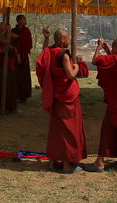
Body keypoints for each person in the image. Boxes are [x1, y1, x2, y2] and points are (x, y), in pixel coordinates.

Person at [36, 27, 89, 174]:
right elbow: (71, 75)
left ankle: (53, 163)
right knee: (69, 130)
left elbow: (43, 57)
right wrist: (77, 65)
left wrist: (46, 39)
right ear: (61, 40)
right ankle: (66, 165)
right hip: (67, 96)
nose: (68, 40)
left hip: (56, 95)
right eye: (67, 38)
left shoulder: (51, 51)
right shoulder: (63, 54)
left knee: (57, 129)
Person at [82, 38, 117, 172]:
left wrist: (99, 46)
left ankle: (99, 162)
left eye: (113, 47)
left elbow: (96, 60)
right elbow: (116, 63)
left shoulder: (114, 59)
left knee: (108, 128)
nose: (111, 50)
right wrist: (108, 50)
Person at [0, 23, 19, 114]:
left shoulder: (10, 35)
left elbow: (15, 40)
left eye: (3, 26)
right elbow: (5, 42)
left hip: (10, 63)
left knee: (11, 84)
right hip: (0, 63)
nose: (2, 28)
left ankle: (11, 106)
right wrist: (7, 32)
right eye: (0, 27)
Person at [14, 15, 34, 102]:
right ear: (19, 21)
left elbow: (29, 42)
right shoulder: (14, 31)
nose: (25, 20)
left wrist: (19, 37)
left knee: (24, 76)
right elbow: (13, 43)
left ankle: (24, 96)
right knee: (17, 76)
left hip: (24, 56)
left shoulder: (26, 30)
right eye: (23, 19)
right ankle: (16, 95)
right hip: (16, 56)